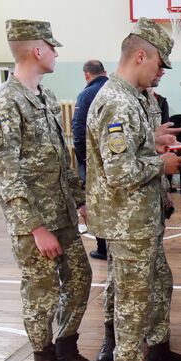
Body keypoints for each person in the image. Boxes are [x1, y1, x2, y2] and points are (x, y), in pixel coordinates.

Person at [0, 19, 92, 361]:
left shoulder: (46, 97)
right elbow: (5, 173)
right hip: (35, 224)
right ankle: (43, 357)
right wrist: (36, 228)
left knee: (80, 279)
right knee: (41, 294)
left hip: (61, 213)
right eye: (52, 46)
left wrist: (80, 200)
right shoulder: (4, 104)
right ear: (37, 50)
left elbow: (61, 158)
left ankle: (66, 346)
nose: (57, 52)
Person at [85, 18, 181, 361]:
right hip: (128, 222)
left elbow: (128, 150)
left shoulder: (129, 97)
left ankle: (159, 351)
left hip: (138, 220)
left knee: (158, 284)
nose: (160, 72)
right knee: (132, 307)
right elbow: (119, 172)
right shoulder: (117, 102)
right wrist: (161, 164)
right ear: (141, 56)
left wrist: (153, 139)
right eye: (160, 64)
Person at [72, 59, 109, 260]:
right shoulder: (116, 91)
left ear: (86, 75)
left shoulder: (86, 95)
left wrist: (83, 159)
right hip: (114, 158)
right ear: (104, 72)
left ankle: (102, 247)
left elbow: (78, 130)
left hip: (93, 159)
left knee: (96, 202)